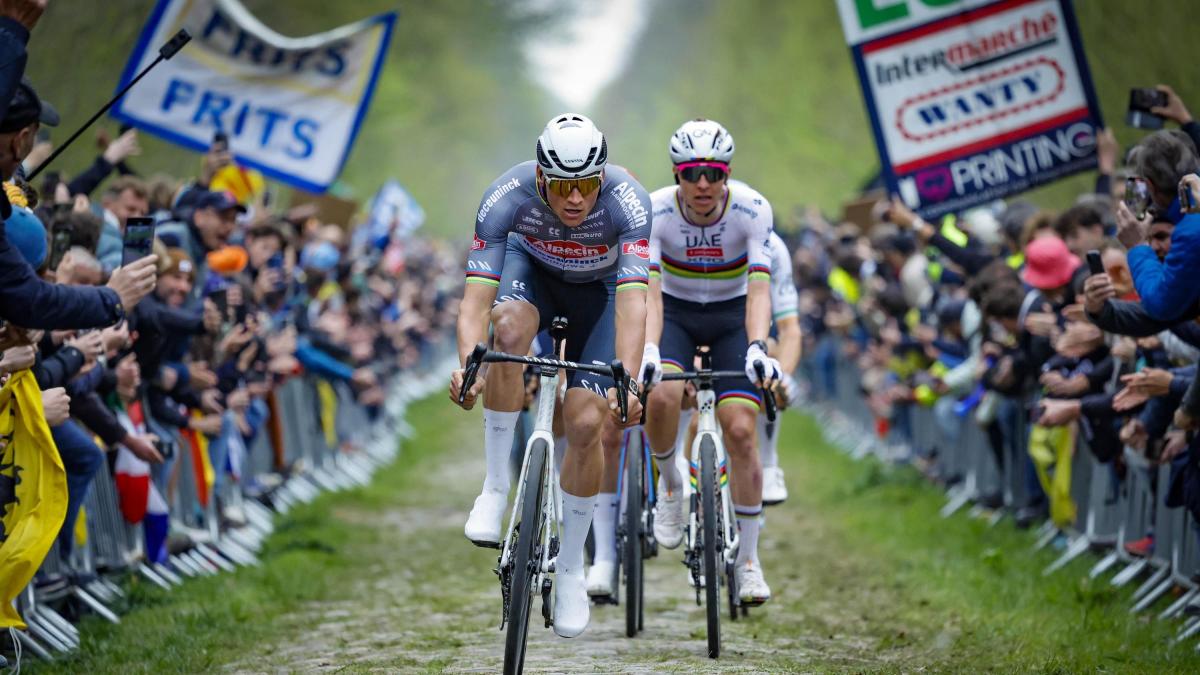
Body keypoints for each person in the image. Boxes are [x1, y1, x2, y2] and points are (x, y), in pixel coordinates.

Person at [448, 113, 649, 638]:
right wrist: (468, 364)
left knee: (585, 423)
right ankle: (494, 487)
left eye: (587, 185)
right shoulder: (506, 196)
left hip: (600, 298)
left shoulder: (629, 202)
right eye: (563, 186)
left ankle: (571, 572)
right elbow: (475, 300)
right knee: (508, 330)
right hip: (532, 277)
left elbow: (633, 305)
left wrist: (625, 381)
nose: (577, 198)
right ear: (541, 178)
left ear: (601, 178)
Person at [637, 118, 780, 606]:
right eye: (691, 173)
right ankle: (672, 485)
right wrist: (651, 348)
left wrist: (759, 345)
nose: (702, 185)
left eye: (714, 174)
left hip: (730, 318)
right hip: (674, 313)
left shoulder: (751, 209)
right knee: (660, 393)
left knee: (741, 430)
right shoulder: (653, 212)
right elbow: (651, 296)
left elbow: (760, 290)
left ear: (728, 174)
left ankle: (749, 563)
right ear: (676, 173)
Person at [760, 229, 802, 505]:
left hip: (760, 333)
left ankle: (767, 462)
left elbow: (790, 329)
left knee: (771, 363)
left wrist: (782, 377)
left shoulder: (772, 247)